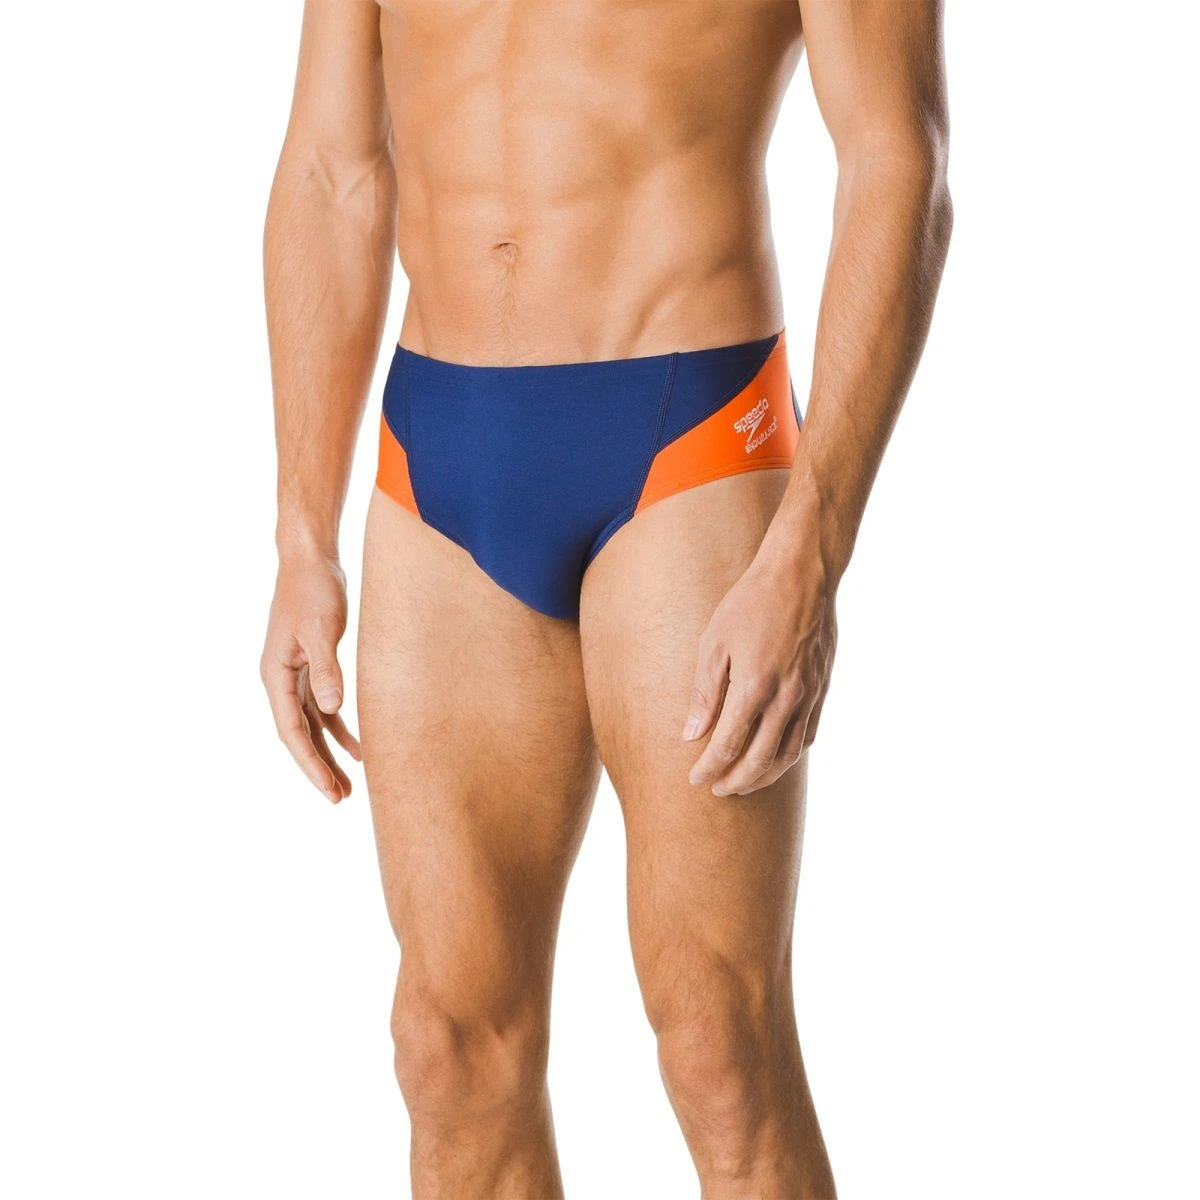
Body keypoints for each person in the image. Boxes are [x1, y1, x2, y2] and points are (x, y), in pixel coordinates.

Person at [260, 1, 951, 1195]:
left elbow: (898, 160)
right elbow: (332, 166)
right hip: (438, 451)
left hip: (690, 436)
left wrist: (811, 548)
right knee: (449, 1046)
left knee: (717, 1043)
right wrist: (299, 532)